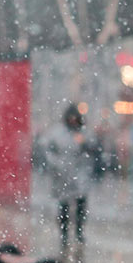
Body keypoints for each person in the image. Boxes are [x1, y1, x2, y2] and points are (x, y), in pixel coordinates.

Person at [39, 104, 96, 247]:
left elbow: (93, 149)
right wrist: (56, 165)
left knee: (81, 205)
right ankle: (64, 234)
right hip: (63, 176)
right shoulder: (57, 133)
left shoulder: (84, 133)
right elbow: (47, 150)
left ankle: (79, 232)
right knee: (64, 206)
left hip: (80, 175)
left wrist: (85, 147)